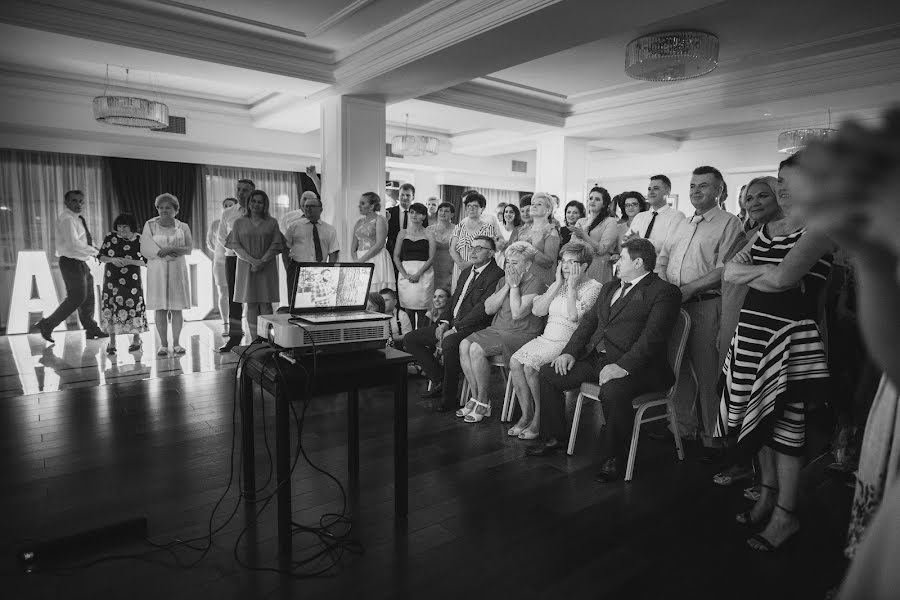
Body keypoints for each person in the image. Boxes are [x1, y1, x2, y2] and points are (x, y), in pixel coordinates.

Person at [716, 152, 834, 552]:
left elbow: (783, 278)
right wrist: (768, 276)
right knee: (759, 425)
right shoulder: (766, 229)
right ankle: (767, 495)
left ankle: (786, 513)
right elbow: (730, 271)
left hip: (788, 341)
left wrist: (768, 275)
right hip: (750, 334)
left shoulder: (820, 228)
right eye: (779, 178)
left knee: (786, 429)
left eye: (792, 180)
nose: (782, 186)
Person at [526, 238, 682, 484]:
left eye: (621, 257)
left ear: (638, 262)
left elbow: (653, 338)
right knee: (548, 373)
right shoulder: (610, 287)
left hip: (640, 368)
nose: (616, 261)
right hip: (598, 359)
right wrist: (569, 352)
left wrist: (622, 367)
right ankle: (554, 437)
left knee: (612, 391)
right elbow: (588, 324)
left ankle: (615, 457)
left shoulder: (664, 292)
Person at [658, 166, 746, 461]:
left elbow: (725, 269)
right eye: (693, 186)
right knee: (678, 368)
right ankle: (682, 429)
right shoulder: (682, 222)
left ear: (720, 191)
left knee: (708, 373)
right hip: (675, 305)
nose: (697, 191)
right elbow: (664, 258)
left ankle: (713, 439)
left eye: (704, 186)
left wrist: (688, 289)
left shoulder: (729, 223)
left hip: (707, 304)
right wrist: (664, 288)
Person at [712, 176, 784, 487]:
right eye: (748, 197)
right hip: (735, 316)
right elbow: (729, 272)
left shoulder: (782, 236)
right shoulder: (752, 233)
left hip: (763, 322)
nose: (753, 203)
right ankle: (746, 464)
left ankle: (763, 476)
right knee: (735, 393)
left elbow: (779, 279)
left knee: (763, 399)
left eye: (762, 196)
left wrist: (752, 272)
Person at [508, 241, 603, 440]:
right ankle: (527, 414)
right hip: (547, 338)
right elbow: (537, 310)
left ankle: (540, 419)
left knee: (531, 367)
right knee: (515, 362)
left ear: (584, 265)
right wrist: (559, 283)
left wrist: (572, 287)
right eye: (563, 261)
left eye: (572, 262)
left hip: (568, 344)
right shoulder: (558, 284)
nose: (566, 266)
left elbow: (573, 316)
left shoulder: (594, 288)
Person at [405, 236, 505, 411]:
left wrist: (455, 328)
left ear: (490, 253)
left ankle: (449, 397)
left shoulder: (496, 274)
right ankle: (440, 380)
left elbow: (482, 310)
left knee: (450, 343)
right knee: (411, 339)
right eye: (472, 247)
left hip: (476, 326)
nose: (473, 251)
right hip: (452, 323)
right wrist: (443, 322)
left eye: (479, 248)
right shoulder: (467, 271)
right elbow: (453, 300)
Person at [457, 241, 548, 423]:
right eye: (507, 262)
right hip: (498, 329)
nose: (509, 266)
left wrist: (514, 287)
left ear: (527, 265)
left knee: (475, 349)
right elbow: (489, 309)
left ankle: (483, 401)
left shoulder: (536, 283)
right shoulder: (502, 281)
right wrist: (507, 285)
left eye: (515, 263)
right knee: (463, 344)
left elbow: (518, 313)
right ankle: (476, 397)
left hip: (521, 333)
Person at [32, 190, 107, 342]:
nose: (78, 204)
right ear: (66, 202)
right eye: (74, 201)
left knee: (88, 298)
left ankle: (91, 329)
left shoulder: (76, 219)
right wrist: (95, 252)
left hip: (80, 262)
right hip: (71, 263)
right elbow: (73, 244)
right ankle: (47, 324)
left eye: (81, 201)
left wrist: (96, 250)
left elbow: (82, 242)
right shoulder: (67, 219)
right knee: (77, 297)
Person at [225, 190, 283, 342]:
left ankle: (268, 339)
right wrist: (252, 261)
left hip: (267, 266)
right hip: (246, 266)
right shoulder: (239, 222)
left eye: (260, 202)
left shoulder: (272, 222)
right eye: (253, 201)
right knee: (251, 303)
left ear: (265, 205)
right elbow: (235, 246)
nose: (256, 205)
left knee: (266, 303)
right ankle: (255, 339)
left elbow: (276, 244)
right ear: (248, 203)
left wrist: (262, 261)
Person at [141, 193, 193, 357]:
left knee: (177, 308)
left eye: (168, 207)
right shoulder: (149, 225)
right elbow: (145, 248)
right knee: (160, 308)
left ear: (175, 210)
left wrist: (170, 250)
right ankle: (163, 345)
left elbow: (188, 248)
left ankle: (177, 343)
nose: (164, 210)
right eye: (161, 207)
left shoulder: (182, 226)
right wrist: (161, 253)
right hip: (157, 269)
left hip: (177, 269)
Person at [98, 212, 147, 355]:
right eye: (119, 227)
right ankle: (112, 342)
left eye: (125, 227)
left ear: (132, 227)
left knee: (134, 308)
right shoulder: (110, 237)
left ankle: (136, 340)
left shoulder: (140, 240)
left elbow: (147, 261)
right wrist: (112, 260)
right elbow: (100, 255)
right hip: (111, 280)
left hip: (132, 282)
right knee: (111, 308)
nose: (121, 230)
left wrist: (129, 261)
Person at [217, 178, 255, 352]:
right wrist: (239, 249)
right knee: (234, 299)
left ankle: (258, 337)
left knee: (256, 299)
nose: (241, 193)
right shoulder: (228, 213)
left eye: (245, 190)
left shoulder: (259, 210)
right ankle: (234, 337)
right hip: (233, 259)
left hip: (254, 260)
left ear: (252, 192)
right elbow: (222, 237)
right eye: (239, 189)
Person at [626, 175, 687, 274]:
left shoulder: (677, 216)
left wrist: (640, 241)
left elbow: (670, 247)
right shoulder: (639, 217)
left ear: (667, 191)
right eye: (649, 189)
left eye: (656, 188)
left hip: (659, 272)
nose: (651, 192)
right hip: (634, 270)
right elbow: (626, 241)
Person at [283, 195, 339, 297]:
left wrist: (330, 271)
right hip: (297, 268)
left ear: (321, 209)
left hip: (320, 270)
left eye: (312, 206)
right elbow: (285, 248)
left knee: (317, 301)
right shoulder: (294, 227)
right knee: (295, 301)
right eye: (306, 206)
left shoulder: (329, 229)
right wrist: (288, 268)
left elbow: (333, 252)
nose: (308, 208)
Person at [393, 202, 436, 329]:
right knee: (408, 310)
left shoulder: (429, 234)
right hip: (406, 272)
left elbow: (432, 257)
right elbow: (396, 256)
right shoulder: (402, 233)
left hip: (424, 273)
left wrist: (418, 274)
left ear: (423, 216)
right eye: (412, 212)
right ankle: (407, 340)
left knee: (423, 310)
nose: (414, 215)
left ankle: (420, 339)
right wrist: (405, 274)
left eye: (418, 213)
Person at [449, 192, 496, 293]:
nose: (471, 208)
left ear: (482, 209)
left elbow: (487, 250)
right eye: (468, 206)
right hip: (459, 268)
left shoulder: (488, 228)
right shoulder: (459, 226)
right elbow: (452, 249)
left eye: (475, 206)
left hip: (478, 268)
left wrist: (468, 264)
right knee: (457, 296)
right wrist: (461, 264)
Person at [572, 186, 618, 284]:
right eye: (591, 198)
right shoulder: (581, 221)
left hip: (599, 265)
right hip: (579, 264)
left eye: (597, 199)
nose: (592, 201)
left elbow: (602, 250)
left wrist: (584, 235)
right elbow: (572, 245)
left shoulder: (610, 222)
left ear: (604, 204)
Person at [512, 192, 560, 286]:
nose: (534, 206)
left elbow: (549, 262)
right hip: (521, 277)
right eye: (533, 204)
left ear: (548, 210)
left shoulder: (551, 231)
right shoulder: (524, 230)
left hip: (540, 281)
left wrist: (528, 248)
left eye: (539, 204)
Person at [352, 192, 396, 292]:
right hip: (360, 258)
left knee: (375, 291)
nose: (359, 206)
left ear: (371, 206)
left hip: (376, 257)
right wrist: (356, 260)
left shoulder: (380, 220)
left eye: (363, 203)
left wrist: (362, 259)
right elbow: (353, 245)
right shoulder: (358, 222)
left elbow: (380, 244)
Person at [207, 197, 237, 335]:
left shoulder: (239, 221)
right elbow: (209, 242)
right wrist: (220, 252)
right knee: (223, 293)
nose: (227, 207)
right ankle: (225, 323)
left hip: (238, 260)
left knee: (238, 295)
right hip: (219, 262)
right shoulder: (215, 224)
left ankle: (237, 325)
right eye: (225, 205)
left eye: (230, 205)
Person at [386, 183, 427, 260]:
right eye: (402, 195)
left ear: (413, 197)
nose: (404, 197)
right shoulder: (389, 213)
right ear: (398, 196)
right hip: (392, 253)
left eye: (408, 195)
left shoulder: (420, 214)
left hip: (412, 254)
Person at [427, 202, 455, 291]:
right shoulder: (429, 229)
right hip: (432, 267)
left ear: (452, 214)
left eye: (446, 211)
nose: (443, 213)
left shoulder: (457, 229)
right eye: (441, 210)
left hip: (450, 268)